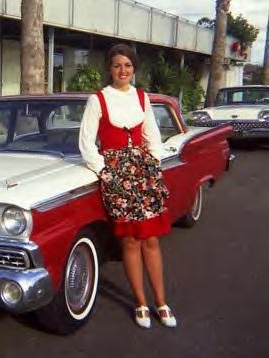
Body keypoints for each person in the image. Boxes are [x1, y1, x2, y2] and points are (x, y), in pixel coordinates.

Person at [78, 43, 177, 329]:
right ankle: (141, 303)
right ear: (109, 68)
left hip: (144, 174)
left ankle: (162, 302)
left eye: (128, 65)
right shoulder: (98, 99)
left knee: (152, 239)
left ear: (134, 69)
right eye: (117, 65)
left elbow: (152, 136)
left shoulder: (142, 97)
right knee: (131, 241)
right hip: (116, 176)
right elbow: (86, 143)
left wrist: (152, 163)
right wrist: (105, 171)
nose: (123, 71)